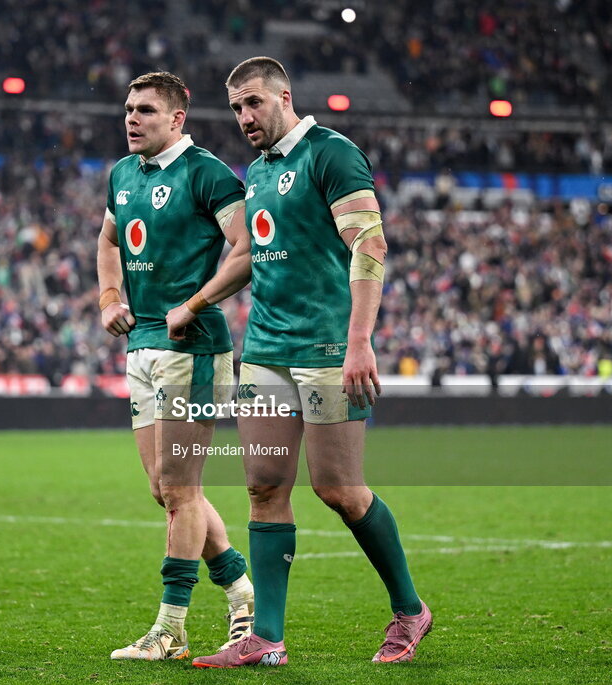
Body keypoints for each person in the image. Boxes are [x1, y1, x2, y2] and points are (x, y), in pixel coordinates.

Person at [192, 57, 431, 669]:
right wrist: (198, 301)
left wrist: (359, 342)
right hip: (267, 350)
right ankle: (266, 637)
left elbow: (371, 247)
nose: (245, 117)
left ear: (284, 97)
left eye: (254, 103)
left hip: (327, 348)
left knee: (339, 489)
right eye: (236, 108)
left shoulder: (332, 154)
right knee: (264, 486)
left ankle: (410, 611)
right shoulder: (259, 171)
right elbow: (255, 256)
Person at [97, 71, 255, 661]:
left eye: (145, 111)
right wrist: (110, 298)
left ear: (177, 119)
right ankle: (241, 592)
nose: (132, 119)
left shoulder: (209, 175)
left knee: (182, 490)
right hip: (140, 346)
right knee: (164, 490)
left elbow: (247, 251)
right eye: (128, 110)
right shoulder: (122, 174)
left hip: (193, 348)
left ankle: (170, 628)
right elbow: (109, 241)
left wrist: (194, 304)